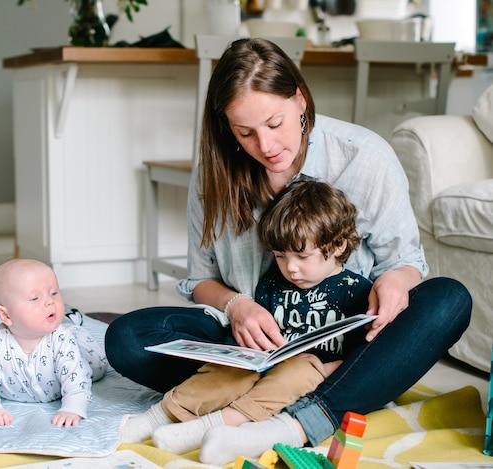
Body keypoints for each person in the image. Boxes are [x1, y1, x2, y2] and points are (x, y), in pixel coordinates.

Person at [105, 37, 471, 466]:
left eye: (275, 123)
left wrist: (395, 281)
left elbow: (406, 263)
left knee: (449, 300)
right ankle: (331, 392)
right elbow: (201, 280)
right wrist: (238, 306)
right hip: (247, 352)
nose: (266, 145)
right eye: (245, 133)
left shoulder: (364, 158)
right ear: (227, 128)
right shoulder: (217, 173)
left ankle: (290, 424)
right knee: (127, 338)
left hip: (340, 352)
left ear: (299, 99)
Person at [122, 180, 373, 454]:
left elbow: (362, 359)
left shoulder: (357, 292)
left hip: (314, 376)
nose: (291, 268)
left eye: (302, 256)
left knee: (298, 373)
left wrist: (323, 368)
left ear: (338, 245)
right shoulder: (273, 283)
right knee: (229, 370)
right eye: (280, 256)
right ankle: (159, 416)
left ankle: (214, 426)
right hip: (265, 362)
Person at [0, 258, 107, 427]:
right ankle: (71, 319)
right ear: (6, 316)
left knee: (97, 366)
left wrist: (72, 408)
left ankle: (74, 323)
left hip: (78, 351)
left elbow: (75, 378)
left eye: (54, 293)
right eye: (34, 298)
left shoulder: (61, 339)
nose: (50, 301)